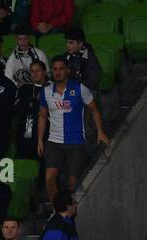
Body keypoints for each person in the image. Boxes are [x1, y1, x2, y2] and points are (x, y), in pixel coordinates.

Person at [37, 54, 108, 201]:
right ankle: (57, 211)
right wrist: (39, 139)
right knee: (49, 177)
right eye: (55, 69)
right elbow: (43, 116)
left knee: (73, 182)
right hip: (53, 142)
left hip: (75, 142)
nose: (58, 72)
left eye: (61, 69)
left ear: (67, 70)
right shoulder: (46, 91)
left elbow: (94, 109)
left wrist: (100, 132)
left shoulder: (80, 89)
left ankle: (71, 211)